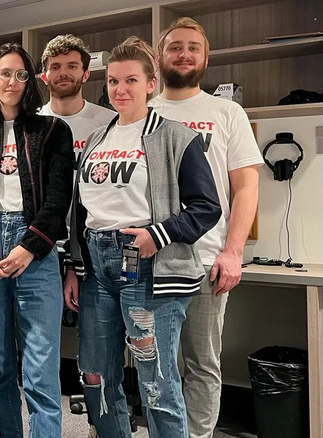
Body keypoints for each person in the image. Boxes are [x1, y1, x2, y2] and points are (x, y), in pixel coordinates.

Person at [68, 37, 221, 438]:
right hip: (97, 270)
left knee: (156, 379)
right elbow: (83, 210)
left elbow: (206, 206)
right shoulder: (97, 140)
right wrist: (75, 263)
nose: (120, 89)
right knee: (95, 373)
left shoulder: (175, 136)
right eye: (114, 81)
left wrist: (159, 234)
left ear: (150, 84)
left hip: (148, 266)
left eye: (131, 80)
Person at [0, 42, 75, 438]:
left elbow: (59, 198)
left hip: (35, 249)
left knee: (41, 367)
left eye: (21, 74)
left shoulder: (54, 130)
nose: (12, 81)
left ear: (30, 82)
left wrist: (30, 244)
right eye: (4, 73)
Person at [150, 17, 262, 438]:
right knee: (154, 363)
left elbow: (246, 188)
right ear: (160, 57)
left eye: (193, 47)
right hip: (151, 260)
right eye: (175, 46)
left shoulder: (226, 112)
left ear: (205, 57)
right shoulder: (144, 111)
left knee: (202, 363)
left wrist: (233, 252)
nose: (184, 54)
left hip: (208, 260)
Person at [38, 34, 116, 332]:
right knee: (41, 335)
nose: (63, 73)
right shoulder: (33, 124)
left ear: (86, 73)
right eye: (55, 66)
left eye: (72, 66)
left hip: (95, 244)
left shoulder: (109, 122)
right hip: (45, 245)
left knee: (99, 336)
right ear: (45, 76)